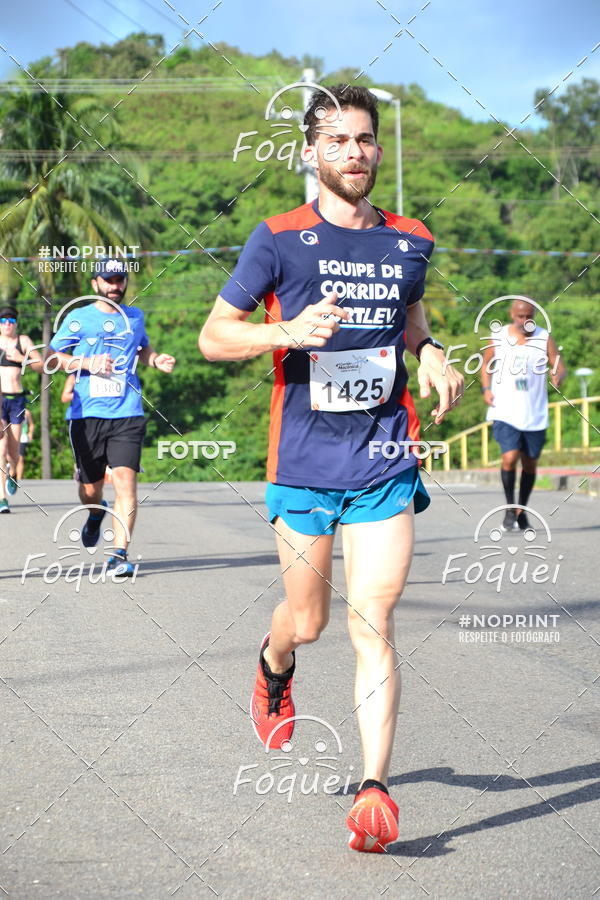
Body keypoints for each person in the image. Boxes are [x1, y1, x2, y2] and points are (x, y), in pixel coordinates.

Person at [199, 85, 463, 853]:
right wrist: (286, 328)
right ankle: (273, 664)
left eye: (366, 139)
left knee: (370, 622)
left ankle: (376, 790)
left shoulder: (411, 238)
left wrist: (434, 353)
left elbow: (410, 321)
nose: (356, 152)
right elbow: (218, 336)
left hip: (384, 458)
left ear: (380, 149)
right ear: (312, 154)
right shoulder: (277, 238)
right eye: (339, 140)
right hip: (304, 460)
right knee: (309, 623)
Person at [47, 259, 176, 574]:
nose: (115, 285)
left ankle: (119, 554)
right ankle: (95, 513)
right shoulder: (79, 318)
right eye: (108, 280)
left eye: (120, 279)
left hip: (127, 412)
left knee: (126, 481)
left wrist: (154, 358)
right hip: (86, 414)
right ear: (95, 284)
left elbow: (142, 349)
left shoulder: (135, 316)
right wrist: (87, 363)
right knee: (90, 489)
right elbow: (52, 356)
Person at [482, 297, 566, 531]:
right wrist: (486, 389)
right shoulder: (498, 337)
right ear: (512, 315)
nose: (524, 320)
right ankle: (510, 508)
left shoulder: (543, 337)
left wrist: (558, 375)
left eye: (529, 316)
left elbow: (558, 364)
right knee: (509, 458)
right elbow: (486, 365)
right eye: (520, 316)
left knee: (529, 463)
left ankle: (522, 510)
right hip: (505, 410)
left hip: (535, 411)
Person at [0, 305, 43, 513]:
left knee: (13, 453)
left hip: (17, 400)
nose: (7, 324)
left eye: (11, 321)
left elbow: (42, 364)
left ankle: (14, 474)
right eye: (3, 321)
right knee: (1, 449)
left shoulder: (23, 341)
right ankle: (2, 499)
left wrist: (21, 359)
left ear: (16, 323)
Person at [15, 405, 35, 482]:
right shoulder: (9, 410)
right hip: (12, 437)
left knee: (20, 458)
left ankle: (19, 479)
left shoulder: (26, 412)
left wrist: (30, 433)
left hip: (22, 437)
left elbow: (31, 424)